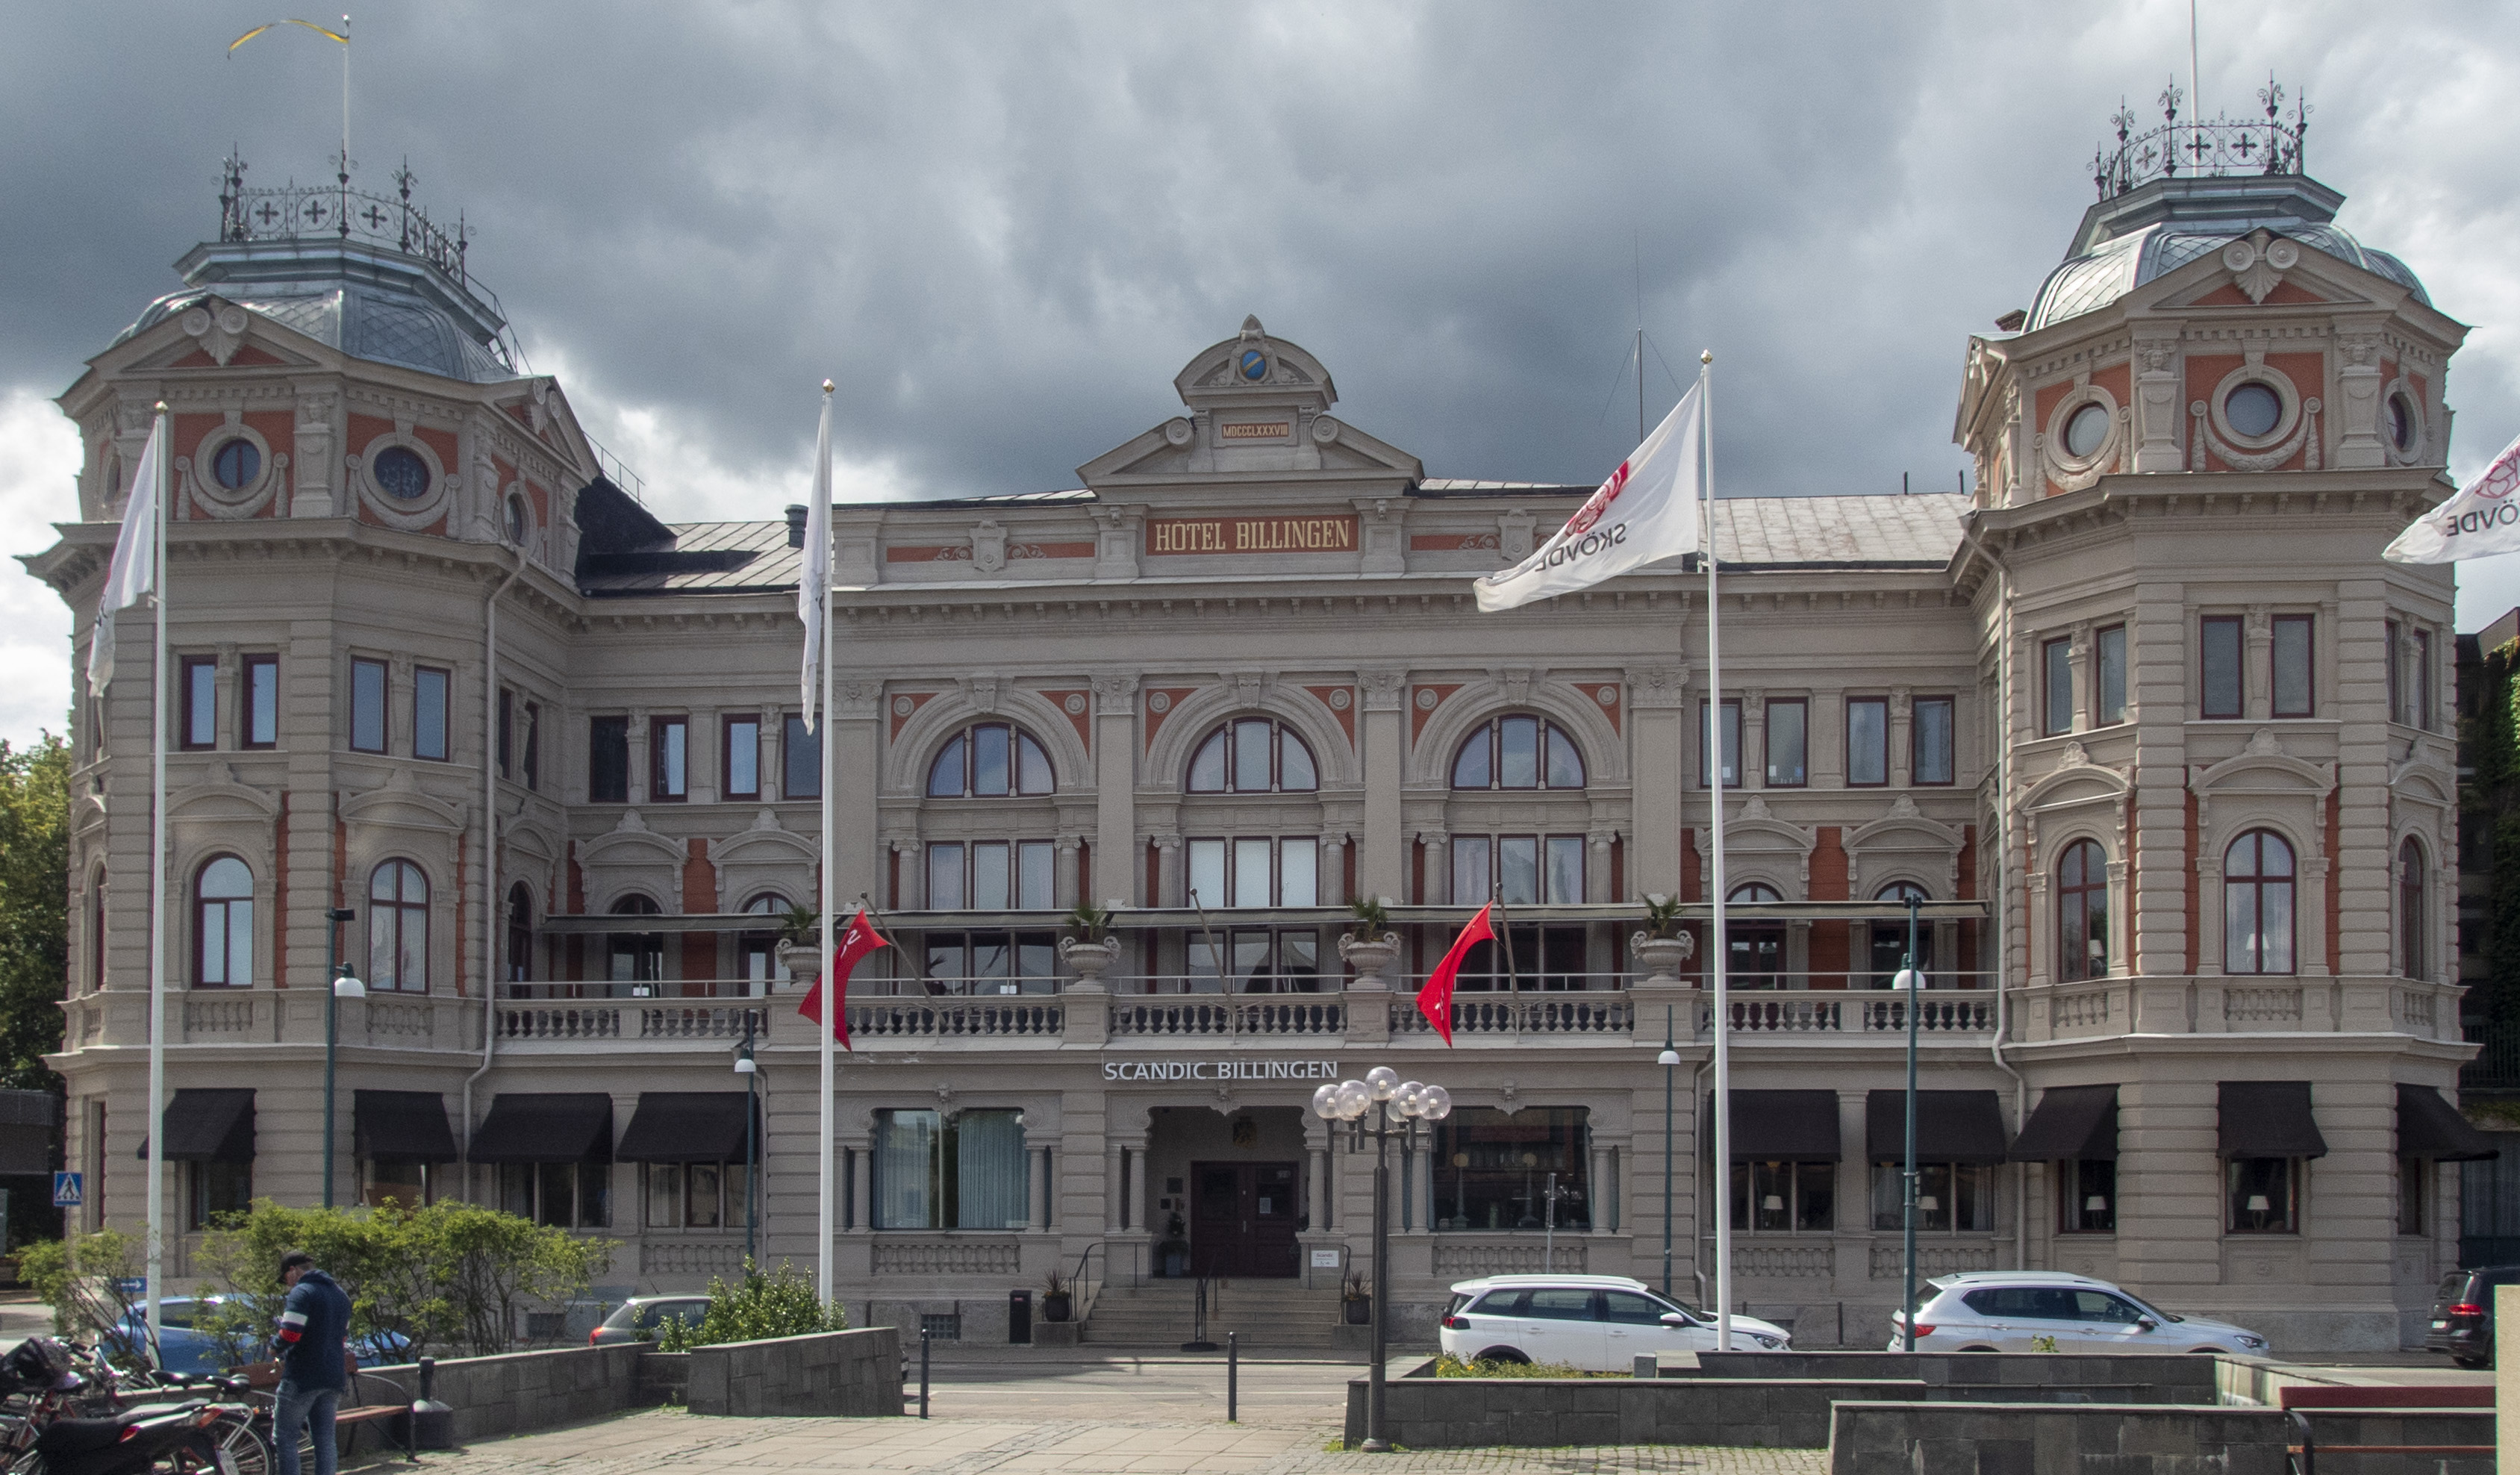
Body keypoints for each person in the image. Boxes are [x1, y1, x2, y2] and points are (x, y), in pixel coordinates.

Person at [271, 1249, 352, 1475]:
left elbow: (291, 1333)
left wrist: (274, 1346)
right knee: (325, 1440)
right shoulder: (340, 1295)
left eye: (285, 1279)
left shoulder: (302, 1292)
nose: (287, 1285)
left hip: (303, 1376)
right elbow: (343, 1337)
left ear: (293, 1270)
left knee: (285, 1438)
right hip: (334, 1376)